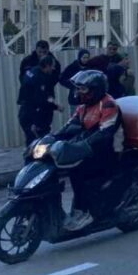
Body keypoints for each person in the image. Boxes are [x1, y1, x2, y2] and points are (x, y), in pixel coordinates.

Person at [51, 69, 121, 232]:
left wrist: (83, 145)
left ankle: (84, 212)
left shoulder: (108, 104)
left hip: (108, 151)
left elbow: (105, 133)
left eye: (83, 89)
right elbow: (70, 126)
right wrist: (52, 138)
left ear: (95, 89)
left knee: (78, 170)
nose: (79, 92)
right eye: (78, 88)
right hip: (90, 149)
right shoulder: (83, 107)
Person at [17, 55, 61, 146]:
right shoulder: (39, 78)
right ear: (47, 65)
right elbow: (40, 100)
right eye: (52, 66)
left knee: (32, 142)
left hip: (26, 112)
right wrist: (55, 106)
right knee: (38, 144)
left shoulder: (33, 71)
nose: (53, 69)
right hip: (33, 115)